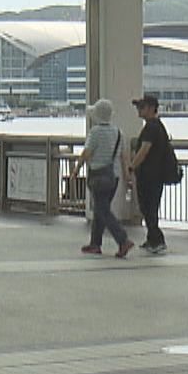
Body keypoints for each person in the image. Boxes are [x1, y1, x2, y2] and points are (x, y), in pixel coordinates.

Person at [71, 99, 133, 258]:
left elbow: (87, 152)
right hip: (114, 177)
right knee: (101, 209)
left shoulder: (96, 132)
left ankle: (122, 239)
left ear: (97, 115)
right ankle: (95, 244)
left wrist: (77, 169)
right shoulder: (119, 132)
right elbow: (124, 156)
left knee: (102, 210)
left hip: (99, 176)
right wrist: (127, 175)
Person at [129, 94, 176, 255]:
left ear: (149, 108)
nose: (138, 110)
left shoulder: (151, 127)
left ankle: (157, 240)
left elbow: (144, 149)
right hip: (155, 175)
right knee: (150, 207)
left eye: (141, 107)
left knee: (148, 207)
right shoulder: (158, 126)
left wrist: (131, 166)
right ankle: (152, 238)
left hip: (150, 176)